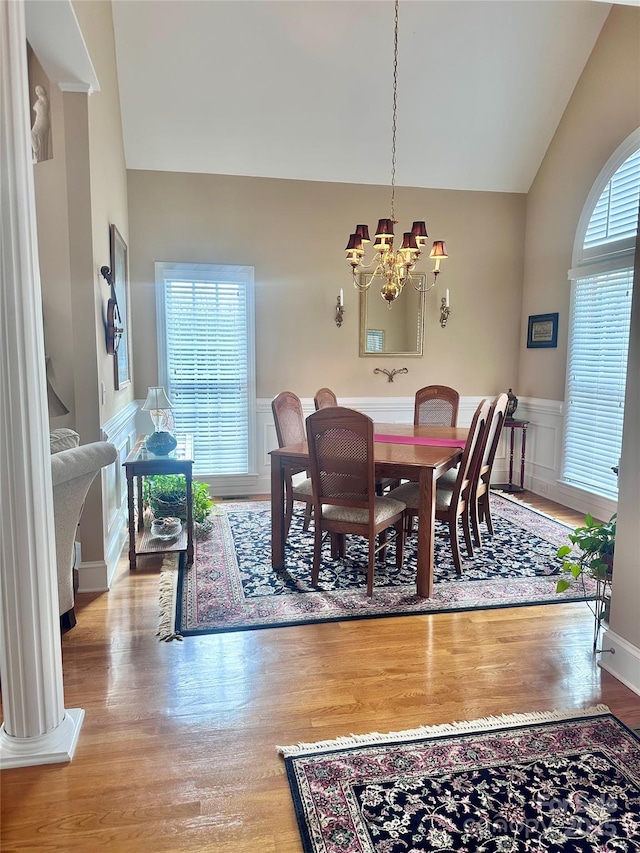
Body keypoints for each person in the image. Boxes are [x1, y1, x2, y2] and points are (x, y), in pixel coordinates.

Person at [31, 85, 51, 163]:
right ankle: (38, 154)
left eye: (39, 90)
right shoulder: (40, 100)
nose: (37, 92)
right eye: (36, 90)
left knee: (33, 134)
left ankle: (37, 152)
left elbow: (42, 107)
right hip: (40, 121)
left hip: (42, 121)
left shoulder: (43, 100)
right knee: (35, 136)